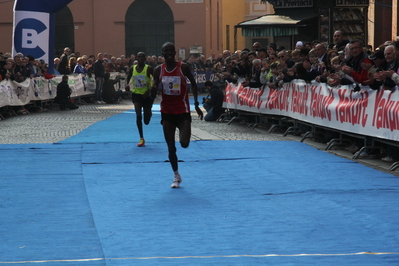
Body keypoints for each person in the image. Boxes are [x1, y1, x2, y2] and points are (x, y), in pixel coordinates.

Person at [151, 42, 203, 188]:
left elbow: (193, 84)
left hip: (182, 110)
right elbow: (154, 86)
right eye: (165, 51)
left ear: (174, 53)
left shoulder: (183, 67)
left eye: (170, 51)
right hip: (167, 111)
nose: (168, 53)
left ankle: (185, 132)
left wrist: (197, 105)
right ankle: (176, 175)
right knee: (171, 148)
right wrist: (152, 90)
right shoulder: (158, 70)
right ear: (162, 54)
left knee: (184, 144)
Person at [125, 51, 154, 147]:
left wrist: (149, 90)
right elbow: (128, 77)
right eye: (139, 57)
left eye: (142, 57)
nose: (141, 59)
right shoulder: (133, 68)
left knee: (146, 121)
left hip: (146, 95)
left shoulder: (148, 68)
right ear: (136, 58)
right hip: (136, 94)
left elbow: (157, 80)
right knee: (138, 116)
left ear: (145, 59)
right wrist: (127, 85)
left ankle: (148, 113)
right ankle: (141, 138)